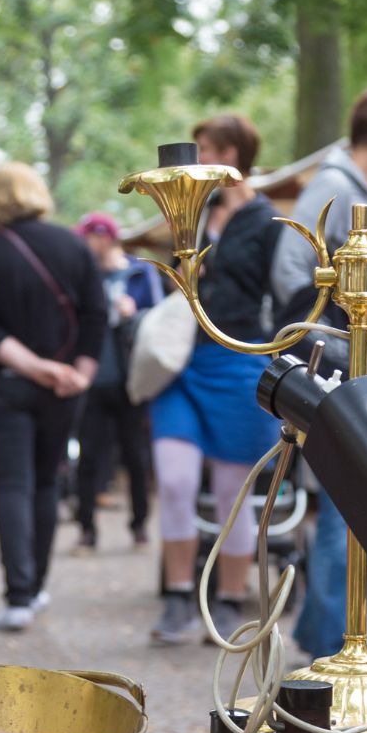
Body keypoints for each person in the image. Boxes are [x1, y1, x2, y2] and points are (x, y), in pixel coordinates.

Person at [272, 83, 367, 660]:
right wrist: (331, 346)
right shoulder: (331, 188)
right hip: (346, 362)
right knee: (347, 504)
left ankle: (322, 633)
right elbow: (291, 274)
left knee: (359, 503)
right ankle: (333, 646)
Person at [149, 114, 283, 646]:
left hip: (240, 363)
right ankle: (177, 595)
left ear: (229, 154)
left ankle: (229, 602)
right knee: (176, 479)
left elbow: (287, 292)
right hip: (183, 362)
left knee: (232, 492)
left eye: (203, 149)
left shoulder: (268, 220)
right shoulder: (196, 212)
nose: (195, 158)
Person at [0, 162, 106, 631]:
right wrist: (77, 373)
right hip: (64, 390)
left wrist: (34, 368)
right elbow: (97, 314)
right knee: (46, 481)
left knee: (14, 484)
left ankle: (18, 593)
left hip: (5, 384)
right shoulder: (74, 246)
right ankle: (37, 586)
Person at [73, 211, 163, 552]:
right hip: (93, 381)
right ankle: (86, 529)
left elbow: (159, 322)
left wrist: (134, 314)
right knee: (89, 458)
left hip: (131, 382)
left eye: (89, 237)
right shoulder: (85, 276)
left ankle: (139, 526)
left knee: (135, 457)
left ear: (105, 237)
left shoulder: (140, 273)